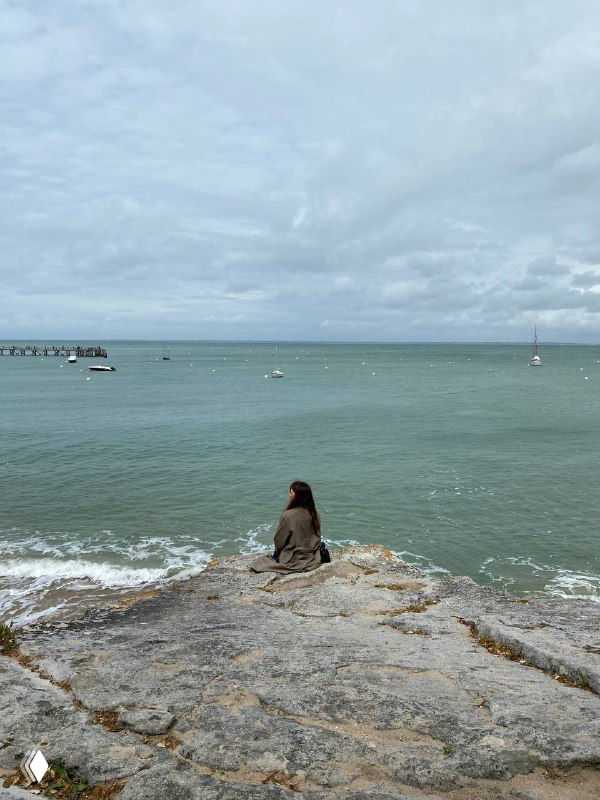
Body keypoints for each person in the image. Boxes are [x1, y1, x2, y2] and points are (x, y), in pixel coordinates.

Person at [250, 481, 322, 574]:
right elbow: (318, 535)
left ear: (297, 496)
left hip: (295, 558)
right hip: (314, 556)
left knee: (259, 563)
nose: (289, 495)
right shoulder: (314, 513)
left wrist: (278, 553)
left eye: (291, 492)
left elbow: (279, 541)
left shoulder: (288, 515)